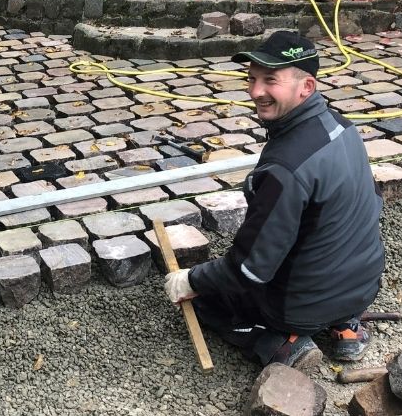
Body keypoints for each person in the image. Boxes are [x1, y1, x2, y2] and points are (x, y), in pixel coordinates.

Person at [164, 31, 384, 371]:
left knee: (208, 300)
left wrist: (193, 280)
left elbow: (250, 268)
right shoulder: (342, 127)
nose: (255, 92)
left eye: (270, 81)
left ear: (306, 87)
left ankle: (281, 341)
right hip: (365, 284)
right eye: (251, 79)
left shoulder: (285, 167)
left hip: (301, 305)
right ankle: (346, 326)